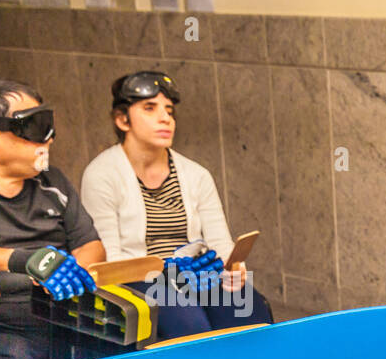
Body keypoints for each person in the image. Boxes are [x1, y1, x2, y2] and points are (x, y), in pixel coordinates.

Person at [80, 71, 271, 339]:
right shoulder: (101, 175)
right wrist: (167, 270)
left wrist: (233, 270)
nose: (165, 118)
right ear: (122, 120)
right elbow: (110, 262)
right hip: (139, 280)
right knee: (190, 326)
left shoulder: (196, 174)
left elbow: (221, 246)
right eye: (150, 109)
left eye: (169, 111)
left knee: (251, 313)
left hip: (196, 274)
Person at [0, 79, 107, 359]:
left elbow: (90, 245)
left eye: (49, 125)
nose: (50, 138)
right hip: (5, 326)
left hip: (65, 314)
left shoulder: (54, 182)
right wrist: (27, 261)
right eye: (35, 125)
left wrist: (66, 274)